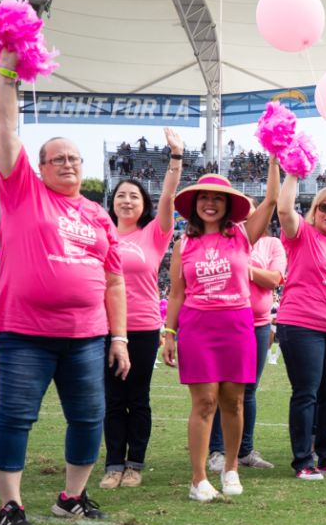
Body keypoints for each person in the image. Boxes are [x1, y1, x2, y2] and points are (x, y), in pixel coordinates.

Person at [0, 52, 131, 525]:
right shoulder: (22, 189)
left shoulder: (96, 212)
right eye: (58, 159)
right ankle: (10, 504)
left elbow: (114, 279)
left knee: (90, 417)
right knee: (17, 416)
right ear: (41, 166)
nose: (67, 164)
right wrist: (8, 70)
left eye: (74, 158)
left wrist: (120, 337)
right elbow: (7, 132)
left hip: (86, 334)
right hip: (25, 331)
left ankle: (72, 496)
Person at [163, 164, 277, 502]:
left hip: (238, 324)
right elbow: (176, 293)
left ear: (228, 205)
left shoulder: (242, 235)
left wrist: (273, 156)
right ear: (195, 203)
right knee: (204, 402)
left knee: (235, 401)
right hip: (198, 327)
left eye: (218, 198)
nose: (210, 203)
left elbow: (271, 199)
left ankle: (230, 468)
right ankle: (198, 478)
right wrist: (169, 332)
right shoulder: (184, 244)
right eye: (204, 198)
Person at [98, 128, 183, 491]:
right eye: (121, 195)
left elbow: (168, 196)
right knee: (112, 399)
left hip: (143, 327)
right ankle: (113, 463)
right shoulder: (101, 233)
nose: (127, 201)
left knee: (138, 397)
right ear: (112, 202)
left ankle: (135, 464)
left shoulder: (154, 234)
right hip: (103, 328)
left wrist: (175, 158)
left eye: (134, 196)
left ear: (143, 205)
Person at [275, 175, 326, 480]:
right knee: (306, 393)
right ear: (315, 208)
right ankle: (302, 461)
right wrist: (294, 173)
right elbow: (284, 211)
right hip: (301, 324)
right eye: (325, 206)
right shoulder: (302, 234)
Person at [207, 215, 287, 474]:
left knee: (249, 391)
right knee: (221, 389)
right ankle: (218, 451)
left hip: (259, 325)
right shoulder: (221, 241)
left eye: (253, 214)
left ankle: (245, 450)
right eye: (240, 216)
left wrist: (243, 267)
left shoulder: (272, 244)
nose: (247, 220)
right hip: (225, 321)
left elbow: (274, 279)